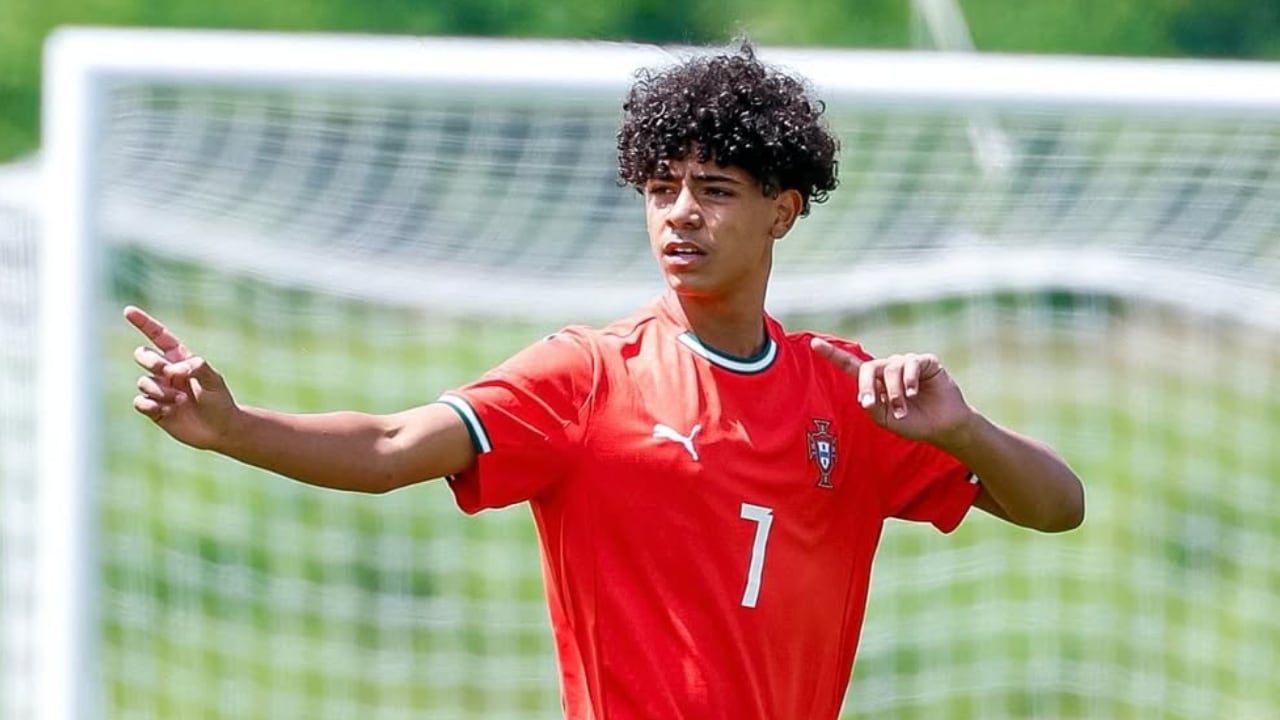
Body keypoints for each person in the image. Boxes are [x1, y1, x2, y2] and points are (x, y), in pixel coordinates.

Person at [127, 42, 1084, 720]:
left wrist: (963, 431)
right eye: (660, 187)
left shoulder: (846, 391)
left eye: (714, 191)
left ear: (782, 210)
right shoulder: (586, 376)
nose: (679, 215)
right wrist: (236, 425)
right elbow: (389, 448)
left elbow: (1057, 507)